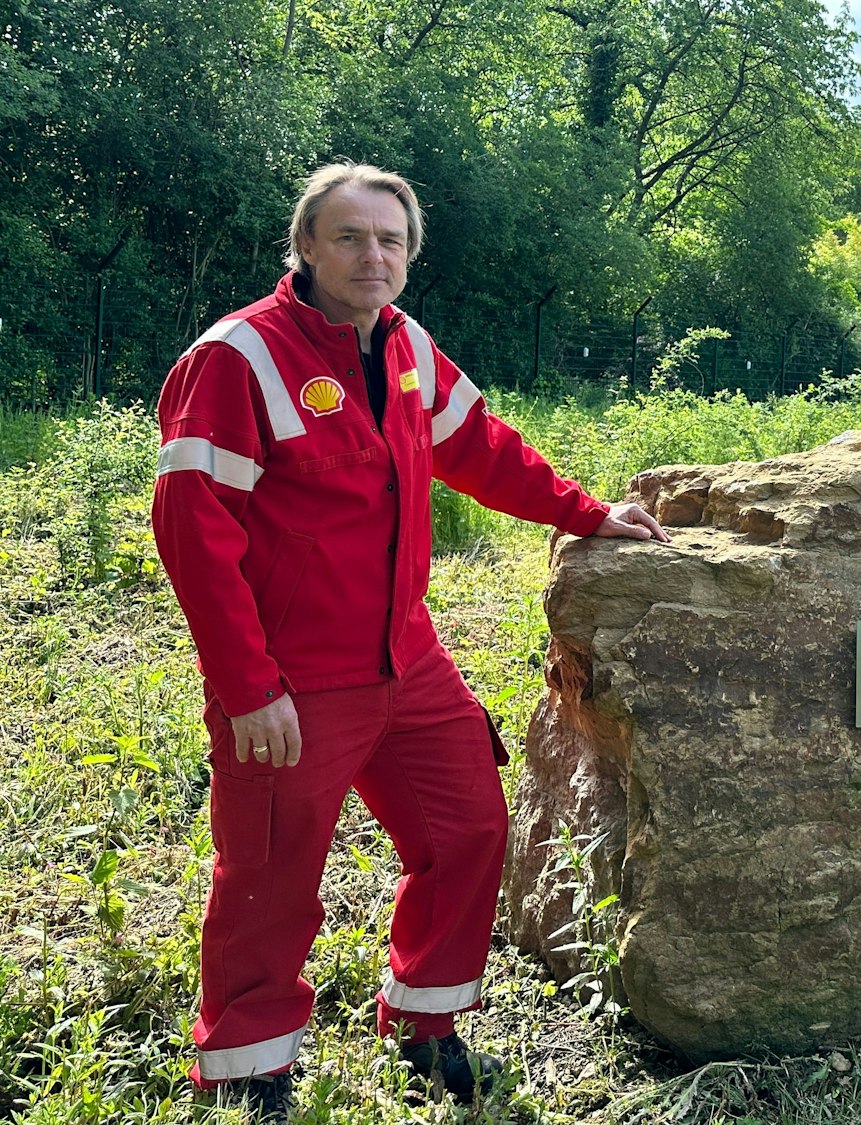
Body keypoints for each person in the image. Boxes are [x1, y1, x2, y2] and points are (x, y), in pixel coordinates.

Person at [151, 162, 666, 1120]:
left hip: (407, 657)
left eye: (390, 240)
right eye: (349, 237)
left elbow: (483, 447)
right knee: (271, 872)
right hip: (291, 677)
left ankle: (424, 1023)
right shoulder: (238, 358)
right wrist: (246, 685)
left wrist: (587, 513)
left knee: (468, 826)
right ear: (305, 246)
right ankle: (250, 1068)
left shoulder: (405, 347)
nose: (372, 255)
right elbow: (191, 528)